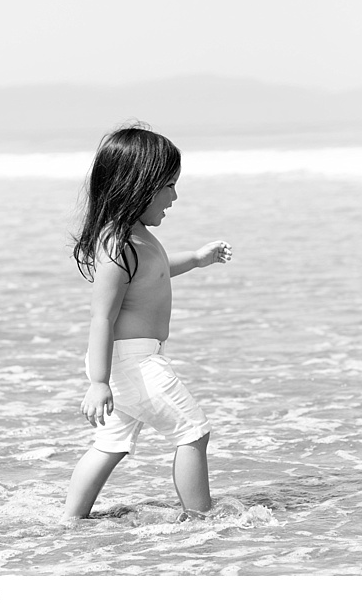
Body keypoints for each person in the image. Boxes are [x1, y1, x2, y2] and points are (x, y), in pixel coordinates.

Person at [62, 124, 232, 521]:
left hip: (126, 361)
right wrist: (98, 382)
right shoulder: (118, 245)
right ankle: (200, 519)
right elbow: (101, 316)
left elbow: (155, 273)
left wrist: (197, 258)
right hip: (131, 362)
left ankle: (71, 519)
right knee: (193, 432)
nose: (174, 196)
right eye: (169, 186)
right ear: (137, 185)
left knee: (111, 444)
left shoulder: (136, 238)